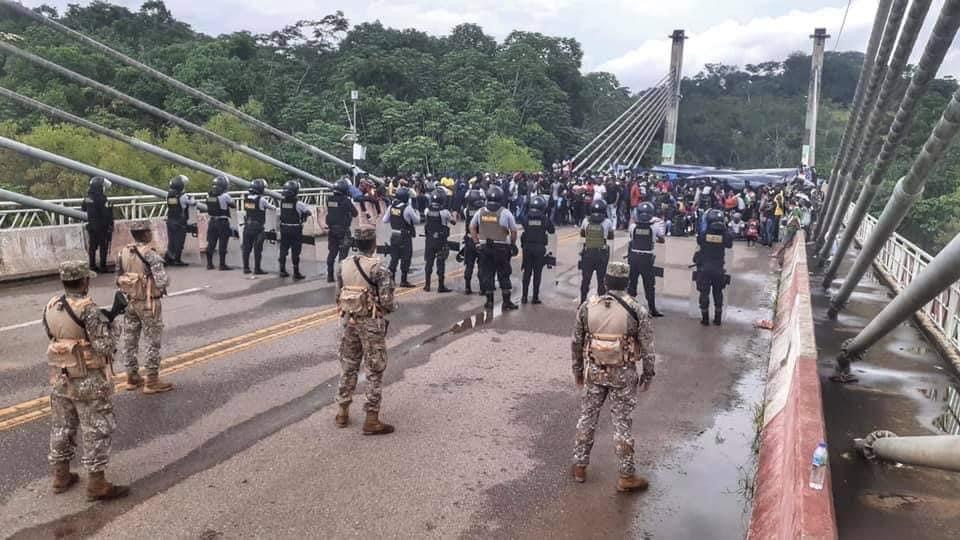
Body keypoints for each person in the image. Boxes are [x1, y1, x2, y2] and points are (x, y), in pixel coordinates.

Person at [44, 261, 129, 500]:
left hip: (61, 377)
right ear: (85, 281)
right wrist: (112, 324)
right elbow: (105, 346)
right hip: (88, 380)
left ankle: (61, 476)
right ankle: (97, 484)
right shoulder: (89, 309)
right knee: (96, 429)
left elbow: (53, 335)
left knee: (62, 426)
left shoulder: (51, 306)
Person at [570, 261, 655, 492]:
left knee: (587, 417)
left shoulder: (588, 306)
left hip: (595, 371)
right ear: (627, 283)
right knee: (622, 423)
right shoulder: (637, 310)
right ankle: (626, 476)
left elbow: (577, 342)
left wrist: (577, 371)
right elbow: (648, 347)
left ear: (605, 281)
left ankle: (579, 466)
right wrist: (648, 374)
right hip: (623, 375)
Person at [335, 224, 397, 435]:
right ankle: (371, 418)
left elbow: (337, 295)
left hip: (347, 321)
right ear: (374, 243)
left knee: (348, 365)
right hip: (370, 323)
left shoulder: (342, 264)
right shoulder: (379, 268)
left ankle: (342, 412)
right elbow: (388, 303)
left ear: (355, 243)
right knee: (374, 369)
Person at [116, 220, 174, 393]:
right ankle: (152, 380)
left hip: (130, 301)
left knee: (130, 340)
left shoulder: (123, 252)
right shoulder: (150, 254)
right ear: (147, 234)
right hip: (148, 303)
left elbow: (117, 278)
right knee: (152, 342)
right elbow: (162, 281)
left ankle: (131, 376)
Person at [470, 185, 520, 310]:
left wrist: (476, 242)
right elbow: (514, 231)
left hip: (485, 248)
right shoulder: (505, 212)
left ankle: (489, 302)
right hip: (501, 249)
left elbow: (472, 227)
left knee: (487, 274)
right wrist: (512, 245)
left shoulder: (480, 212)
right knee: (504, 274)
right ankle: (506, 302)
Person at [695, 209, 734, 326]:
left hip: (705, 268)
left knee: (704, 293)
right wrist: (725, 229)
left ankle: (705, 319)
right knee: (718, 293)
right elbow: (729, 243)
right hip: (719, 269)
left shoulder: (704, 233)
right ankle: (718, 319)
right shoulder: (724, 234)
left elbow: (699, 241)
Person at [627, 202, 665, 317]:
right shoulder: (654, 227)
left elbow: (631, 237)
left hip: (633, 257)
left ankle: (630, 308)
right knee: (649, 285)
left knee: (632, 283)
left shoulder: (633, 226)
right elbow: (662, 239)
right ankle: (652, 309)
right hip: (647, 259)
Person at [520, 195, 555, 304]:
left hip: (527, 248)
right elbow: (552, 231)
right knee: (537, 274)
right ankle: (535, 297)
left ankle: (524, 297)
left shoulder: (526, 217)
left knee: (527, 273)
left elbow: (522, 222)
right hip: (539, 249)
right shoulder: (544, 218)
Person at [383, 186, 420, 288]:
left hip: (394, 235)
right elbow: (417, 220)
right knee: (406, 258)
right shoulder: (407, 208)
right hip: (405, 236)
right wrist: (416, 208)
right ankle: (403, 281)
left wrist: (395, 220)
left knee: (394, 258)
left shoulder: (392, 206)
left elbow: (385, 220)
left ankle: (392, 281)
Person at [579, 199, 614, 303]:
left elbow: (582, 234)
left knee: (586, 280)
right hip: (601, 254)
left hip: (588, 253)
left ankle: (582, 302)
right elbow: (611, 237)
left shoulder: (586, 221)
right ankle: (601, 304)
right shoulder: (607, 222)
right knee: (601, 280)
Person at [325, 178, 359, 282]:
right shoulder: (346, 201)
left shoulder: (329, 199)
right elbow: (355, 213)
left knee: (332, 253)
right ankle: (341, 277)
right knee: (343, 256)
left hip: (332, 230)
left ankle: (330, 276)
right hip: (343, 231)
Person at [423, 188, 456, 293]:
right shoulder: (445, 212)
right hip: (441, 241)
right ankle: (440, 286)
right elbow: (453, 222)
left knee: (429, 262)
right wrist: (454, 213)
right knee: (440, 263)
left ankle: (427, 285)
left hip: (429, 240)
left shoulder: (427, 210)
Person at [278, 180, 312, 280]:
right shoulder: (299, 204)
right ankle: (296, 272)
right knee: (295, 251)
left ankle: (282, 270)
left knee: (283, 250)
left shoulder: (282, 202)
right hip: (295, 229)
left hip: (284, 228)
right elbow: (308, 212)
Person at [241, 179, 276, 275]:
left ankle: (246, 268)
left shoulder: (247, 198)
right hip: (258, 228)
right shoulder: (262, 200)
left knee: (246, 249)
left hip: (247, 226)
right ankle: (257, 269)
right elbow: (272, 208)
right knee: (257, 249)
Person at [81, 176, 114, 273]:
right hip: (102, 227)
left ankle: (92, 266)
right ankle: (103, 267)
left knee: (92, 247)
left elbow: (83, 208)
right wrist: (110, 224)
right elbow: (106, 214)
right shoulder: (102, 199)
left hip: (91, 226)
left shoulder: (87, 198)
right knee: (103, 247)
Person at [204, 176, 235, 271]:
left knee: (211, 243)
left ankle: (209, 264)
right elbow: (233, 205)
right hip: (222, 222)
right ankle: (222, 265)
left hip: (212, 222)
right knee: (223, 243)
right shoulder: (225, 196)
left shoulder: (209, 195)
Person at [164, 174, 194, 266]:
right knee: (179, 242)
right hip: (180, 222)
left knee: (171, 242)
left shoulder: (168, 195)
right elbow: (192, 203)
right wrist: (191, 197)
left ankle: (168, 259)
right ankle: (177, 260)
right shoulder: (183, 196)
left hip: (170, 221)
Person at [460, 186, 485, 294]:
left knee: (469, 265)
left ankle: (467, 287)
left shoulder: (466, 210)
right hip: (481, 240)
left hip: (469, 240)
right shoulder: (483, 211)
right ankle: (482, 288)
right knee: (481, 265)